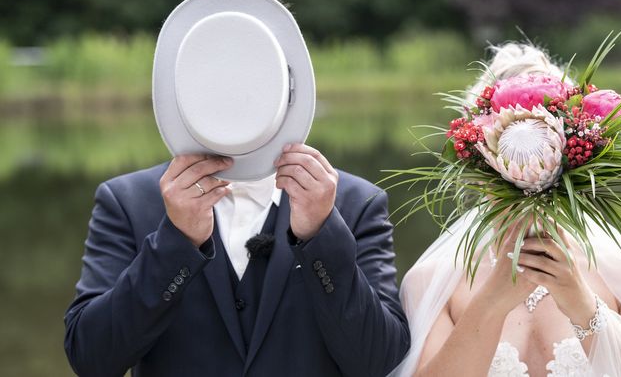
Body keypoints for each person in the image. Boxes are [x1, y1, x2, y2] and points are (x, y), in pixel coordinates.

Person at [388, 44, 621, 377]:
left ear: (572, 163)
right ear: (478, 167)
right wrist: (491, 302)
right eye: (504, 171)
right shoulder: (433, 283)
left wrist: (581, 303)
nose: (526, 189)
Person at [64, 145, 410, 376]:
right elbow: (92, 358)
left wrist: (321, 234)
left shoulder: (355, 201)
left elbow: (378, 362)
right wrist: (176, 241)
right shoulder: (127, 200)